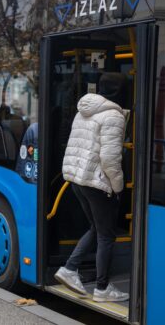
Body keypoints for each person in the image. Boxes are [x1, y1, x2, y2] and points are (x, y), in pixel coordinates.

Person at [54, 72, 129, 302]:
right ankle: (102, 288)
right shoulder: (113, 116)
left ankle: (69, 268)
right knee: (107, 235)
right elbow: (109, 158)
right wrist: (118, 187)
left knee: (96, 228)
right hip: (97, 182)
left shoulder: (83, 110)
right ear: (121, 91)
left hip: (78, 180)